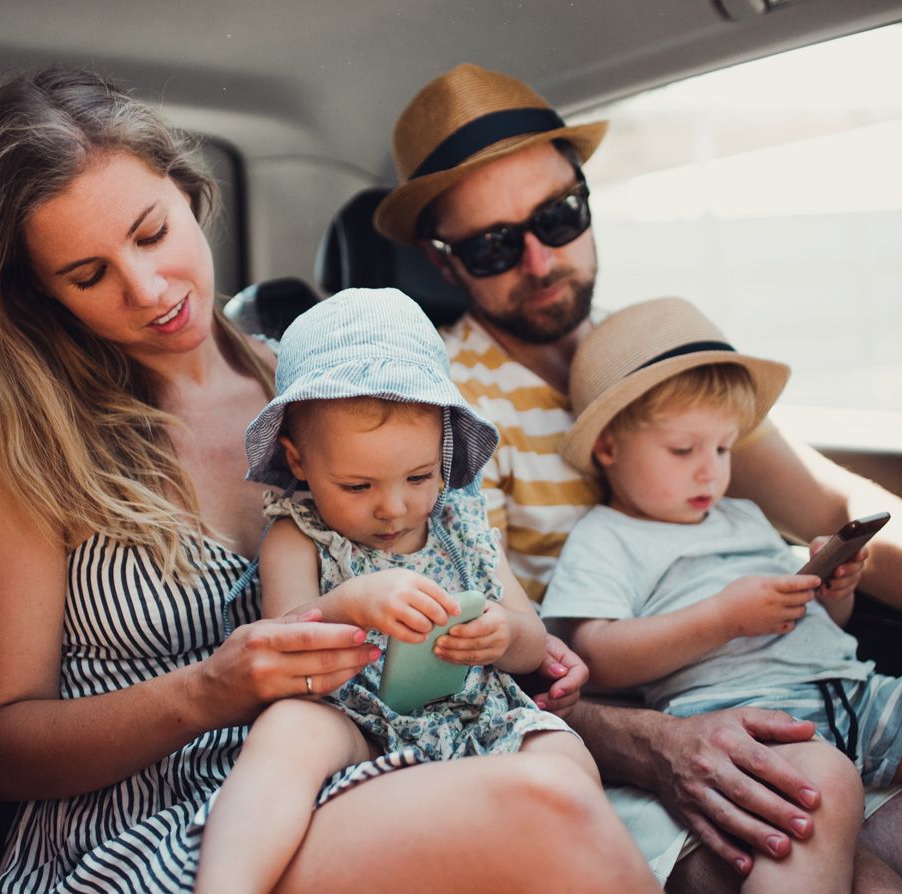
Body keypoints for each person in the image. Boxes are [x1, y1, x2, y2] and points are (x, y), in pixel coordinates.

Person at [0, 67, 662, 894]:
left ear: (187, 190)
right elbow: (0, 747)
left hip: (367, 770)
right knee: (548, 810)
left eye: (150, 233)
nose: (148, 290)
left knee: (568, 786)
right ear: (40, 292)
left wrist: (509, 641)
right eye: (88, 275)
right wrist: (207, 692)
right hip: (150, 828)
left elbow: (446, 554)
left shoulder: (329, 398)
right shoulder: (27, 444)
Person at [373, 62, 902, 888]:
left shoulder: (652, 347)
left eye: (559, 215)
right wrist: (653, 743)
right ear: (446, 263)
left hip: (795, 689)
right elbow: (482, 662)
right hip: (617, 727)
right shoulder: (444, 409)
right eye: (495, 244)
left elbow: (834, 504)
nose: (543, 260)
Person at [195, 287, 655, 894]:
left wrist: (501, 633)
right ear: (299, 461)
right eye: (357, 486)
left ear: (443, 452)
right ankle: (228, 883)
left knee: (563, 754)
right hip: (352, 719)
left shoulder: (461, 521)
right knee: (287, 730)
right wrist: (347, 604)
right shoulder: (297, 532)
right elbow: (282, 643)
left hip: (476, 712)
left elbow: (532, 641)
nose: (393, 507)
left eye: (418, 477)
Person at [541, 297, 902, 892]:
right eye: (683, 451)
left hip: (855, 690)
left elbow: (824, 626)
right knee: (823, 791)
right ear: (608, 448)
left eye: (724, 448)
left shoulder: (743, 516)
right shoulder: (606, 537)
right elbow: (596, 656)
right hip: (751, 712)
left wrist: (834, 589)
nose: (709, 471)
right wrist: (722, 618)